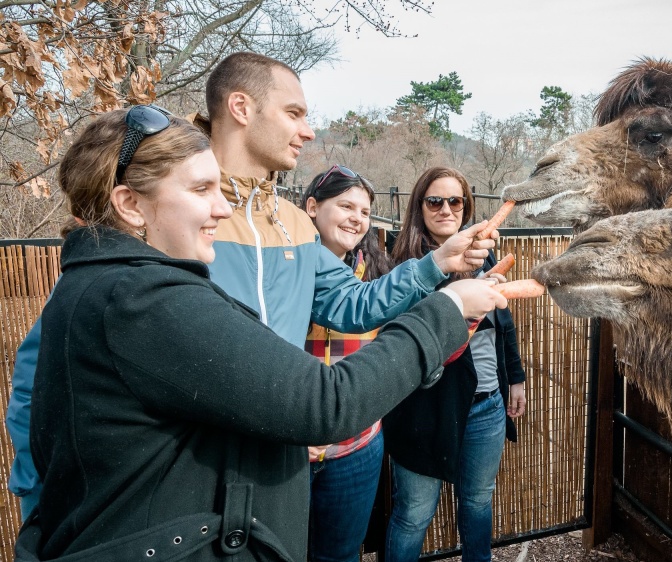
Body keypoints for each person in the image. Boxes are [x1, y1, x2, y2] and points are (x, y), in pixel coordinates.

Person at [5, 51, 496, 521]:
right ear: (241, 107)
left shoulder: (290, 222)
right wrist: (43, 501)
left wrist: (435, 264)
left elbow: (351, 305)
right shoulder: (172, 220)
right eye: (294, 113)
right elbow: (45, 368)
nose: (308, 130)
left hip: (275, 464)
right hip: (185, 478)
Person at [383, 167, 528, 562]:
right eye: (435, 201)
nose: (446, 209)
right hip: (426, 410)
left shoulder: (484, 254)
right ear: (420, 206)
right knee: (414, 514)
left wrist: (514, 377)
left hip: (486, 404)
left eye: (455, 201)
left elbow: (503, 320)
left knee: (478, 501)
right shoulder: (404, 264)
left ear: (466, 206)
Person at [299, 165, 394, 562]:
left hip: (357, 446)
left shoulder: (375, 274)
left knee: (340, 554)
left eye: (364, 211)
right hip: (289, 448)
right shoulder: (281, 269)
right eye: (345, 205)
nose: (357, 217)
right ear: (311, 207)